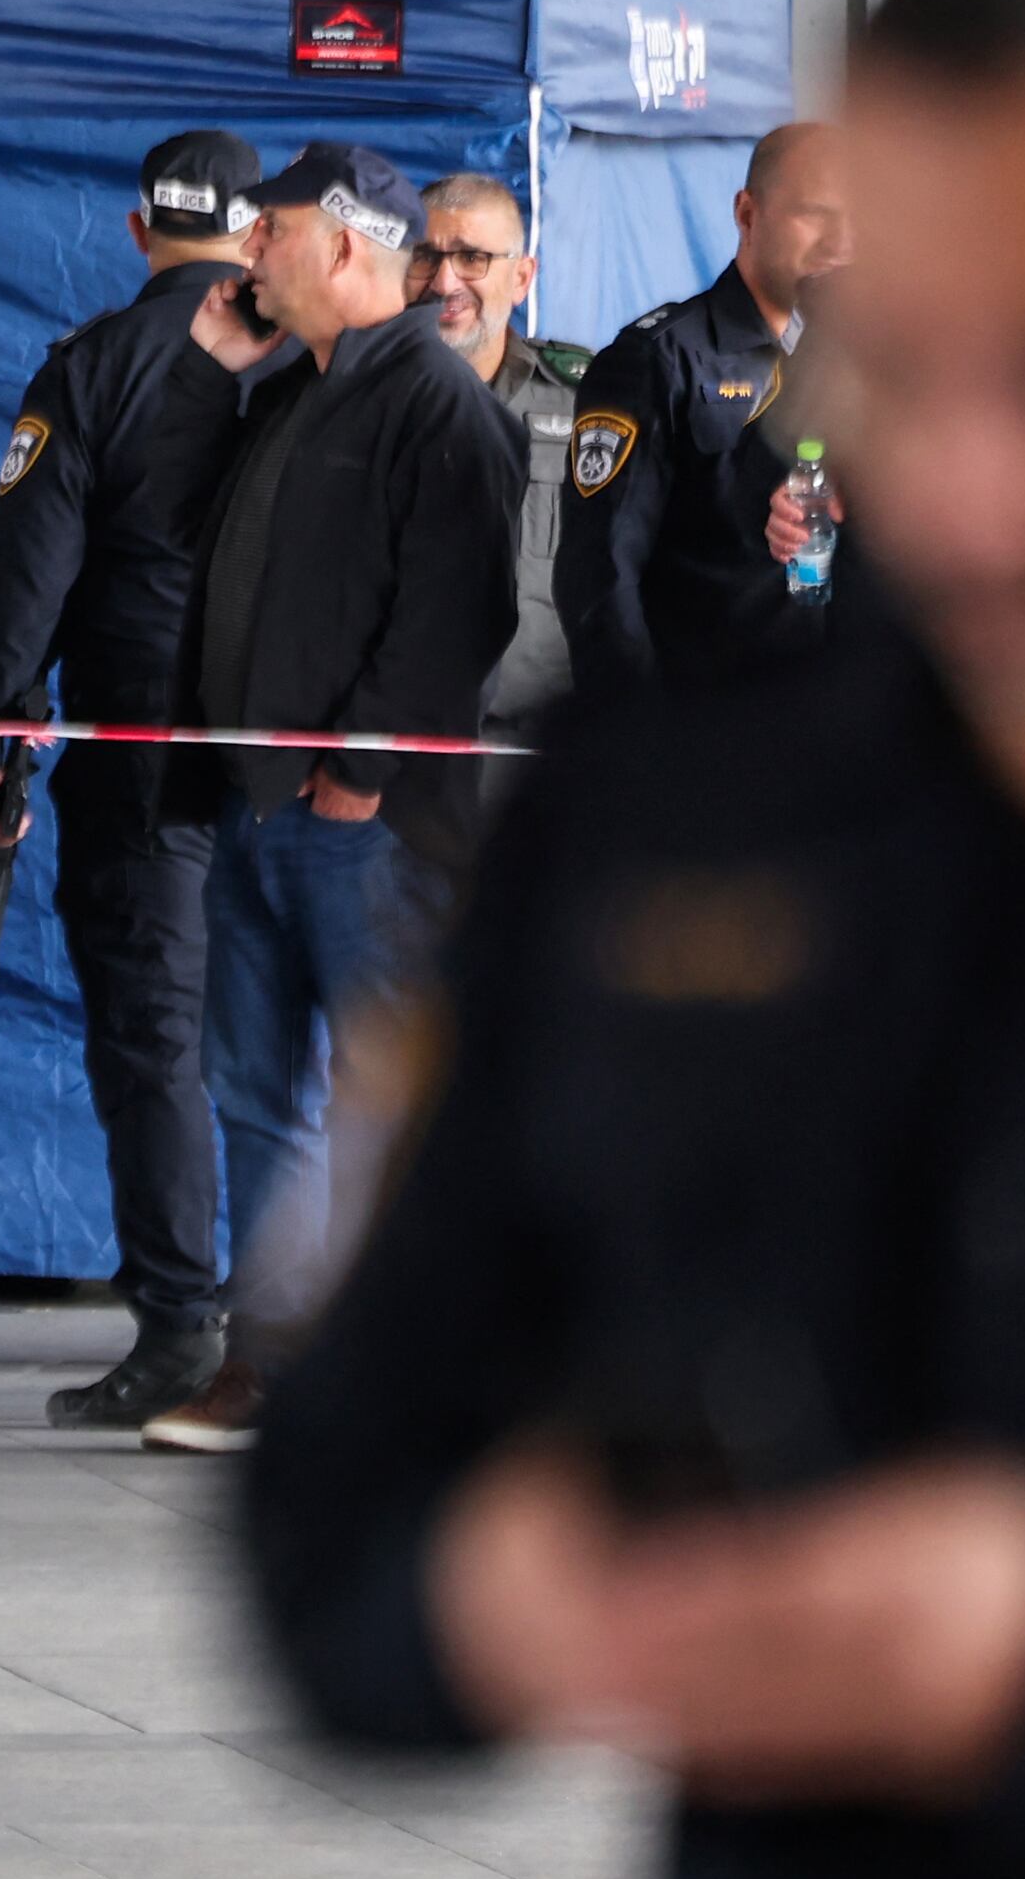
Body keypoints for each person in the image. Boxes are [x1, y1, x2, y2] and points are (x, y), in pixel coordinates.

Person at [251, 0, 1025, 1879]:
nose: (969, 490)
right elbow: (333, 1508)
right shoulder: (671, 831)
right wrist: (501, 1588)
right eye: (903, 371)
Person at [146, 142, 526, 1452]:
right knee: (255, 1092)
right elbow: (171, 527)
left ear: (350, 245)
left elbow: (458, 608)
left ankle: (427, 1374)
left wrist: (361, 763)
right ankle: (269, 1361)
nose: (249, 256)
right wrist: (208, 374)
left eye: (273, 234)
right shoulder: (288, 395)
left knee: (389, 1103)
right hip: (253, 804)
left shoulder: (435, 400)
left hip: (361, 827)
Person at [0, 129, 289, 1431]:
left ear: (138, 230)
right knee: (290, 1048)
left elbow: (20, 582)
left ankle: (183, 1328)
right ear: (256, 233)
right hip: (303, 760)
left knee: (156, 1042)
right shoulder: (319, 357)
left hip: (143, 755)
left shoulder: (94, 367)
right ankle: (294, 1330)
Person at [556, 121, 852, 698]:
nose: (841, 242)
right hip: (705, 725)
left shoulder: (873, 368)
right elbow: (601, 571)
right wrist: (636, 738)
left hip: (835, 728)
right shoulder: (657, 358)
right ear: (747, 214)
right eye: (816, 213)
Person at [407, 172, 588, 754]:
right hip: (392, 751)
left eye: (472, 258)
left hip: (541, 751)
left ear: (522, 276)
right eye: (425, 257)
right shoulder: (358, 397)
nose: (443, 281)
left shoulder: (585, 399)